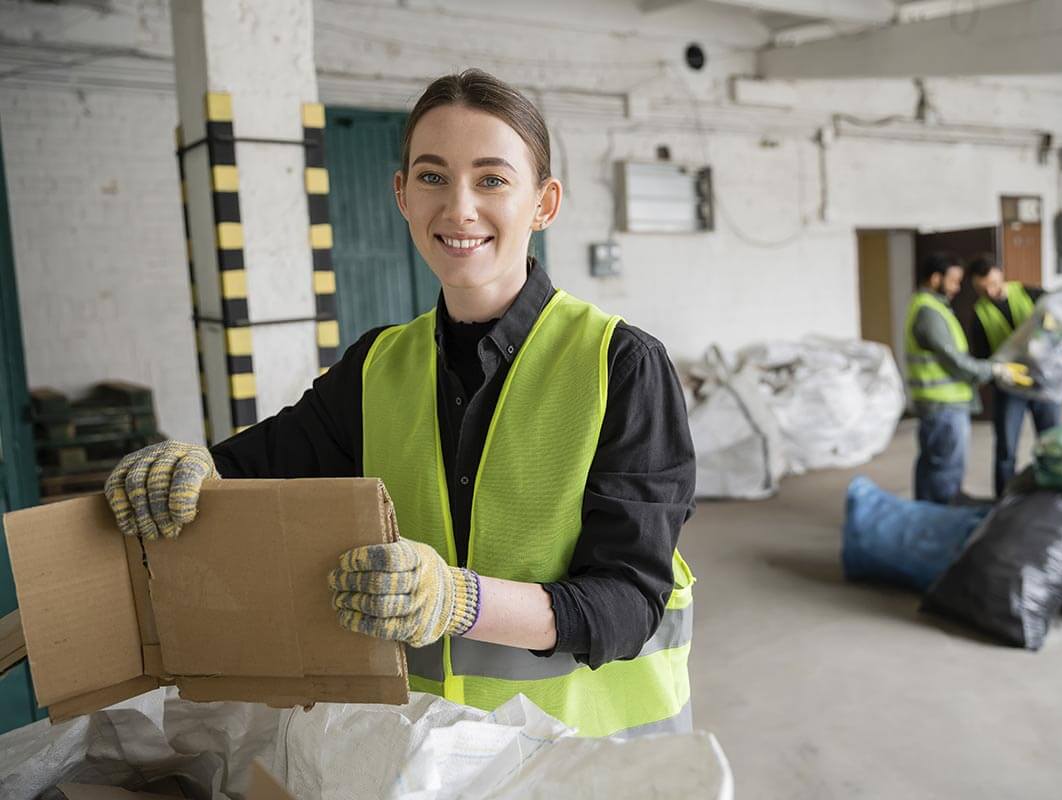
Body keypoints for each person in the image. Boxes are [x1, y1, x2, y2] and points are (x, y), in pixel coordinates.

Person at [103, 69, 696, 739]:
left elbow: (624, 605)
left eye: (492, 179)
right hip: (427, 760)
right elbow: (255, 469)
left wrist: (460, 601)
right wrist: (188, 467)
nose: (459, 209)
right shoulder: (377, 367)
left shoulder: (620, 366)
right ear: (402, 196)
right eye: (433, 177)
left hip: (587, 762)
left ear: (544, 204)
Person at [905, 252, 1031, 504]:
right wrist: (994, 370)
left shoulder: (931, 307)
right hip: (944, 406)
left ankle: (925, 519)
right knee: (946, 472)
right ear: (934, 278)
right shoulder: (929, 313)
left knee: (931, 467)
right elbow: (955, 361)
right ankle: (941, 524)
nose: (957, 287)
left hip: (940, 405)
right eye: (953, 281)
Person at [966, 253, 1059, 497]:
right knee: (1006, 449)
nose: (991, 291)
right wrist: (998, 376)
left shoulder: (1031, 294)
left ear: (1002, 275)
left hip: (1042, 383)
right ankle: (1003, 501)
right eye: (983, 288)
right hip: (1010, 388)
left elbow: (1061, 312)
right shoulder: (979, 314)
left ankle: (1052, 496)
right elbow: (984, 357)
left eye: (994, 284)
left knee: (1051, 444)